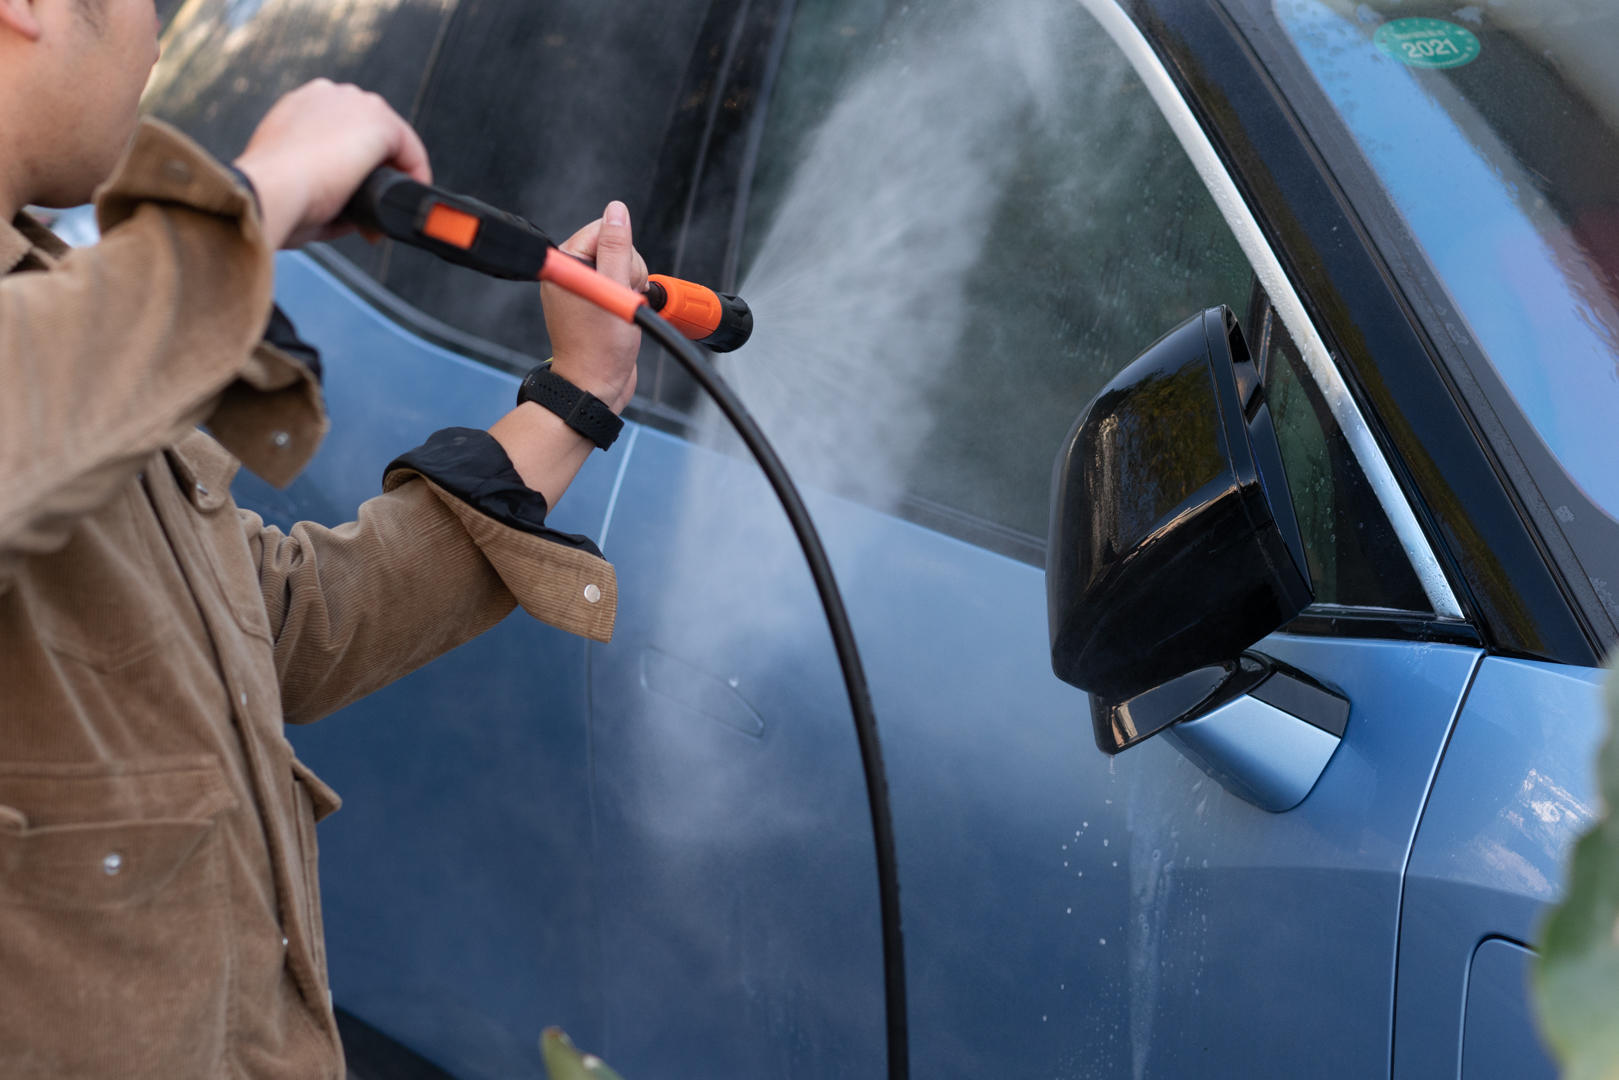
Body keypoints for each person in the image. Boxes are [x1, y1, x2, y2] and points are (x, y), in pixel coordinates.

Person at [0, 1, 646, 1076]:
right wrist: (254, 199)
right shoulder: (69, 355)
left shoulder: (57, 309)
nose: (159, 43)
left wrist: (575, 398)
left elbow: (273, 624)